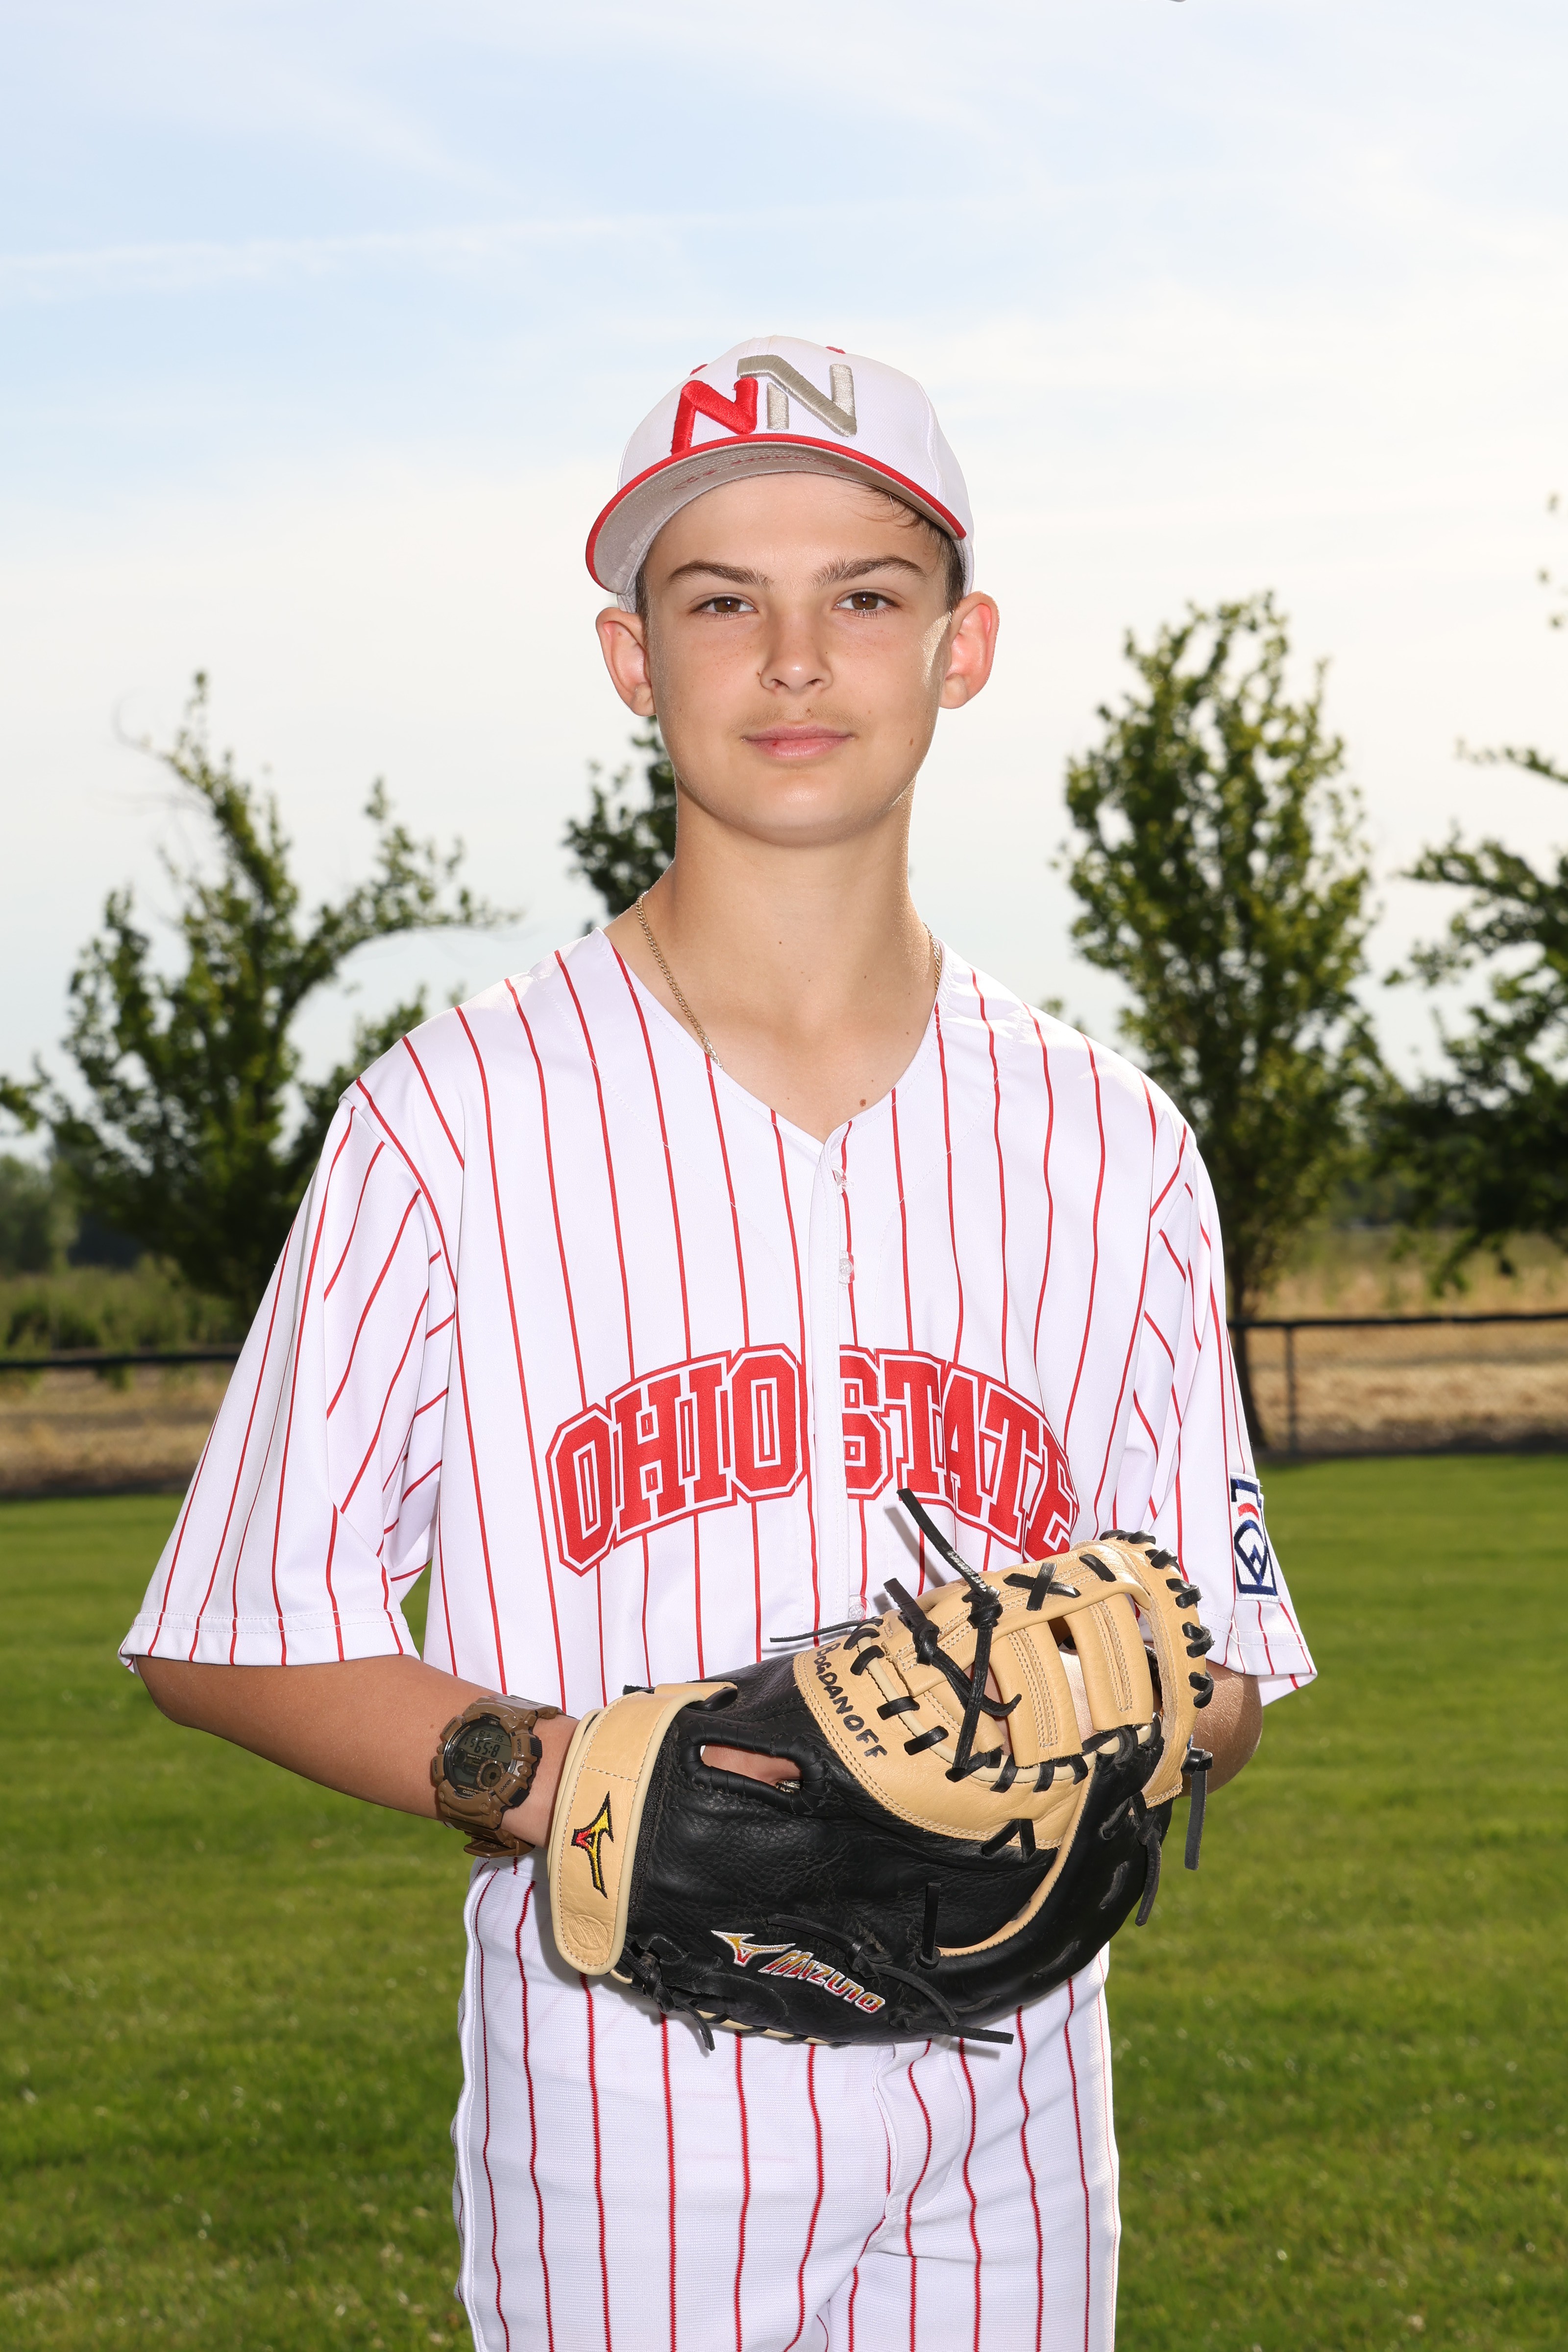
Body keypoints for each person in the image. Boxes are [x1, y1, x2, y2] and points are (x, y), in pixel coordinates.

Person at [125, 335, 1315, 2351]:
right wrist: (576, 1780)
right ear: (631, 661)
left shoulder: (1109, 1141)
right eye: (719, 602)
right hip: (629, 2099)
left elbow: (1223, 1676)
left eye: (865, 595)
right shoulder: (455, 1116)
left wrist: (1080, 1722)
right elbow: (231, 1628)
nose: (795, 661)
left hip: (1016, 2089)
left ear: (962, 646)